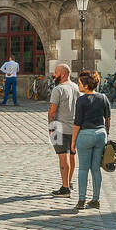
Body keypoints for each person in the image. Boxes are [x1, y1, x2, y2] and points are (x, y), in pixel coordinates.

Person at [70, 70, 111, 211]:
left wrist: (73, 141)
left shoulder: (81, 100)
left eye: (80, 83)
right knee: (95, 169)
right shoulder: (103, 97)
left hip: (85, 135)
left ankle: (81, 200)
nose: (78, 85)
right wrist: (107, 132)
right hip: (100, 134)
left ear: (86, 86)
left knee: (83, 169)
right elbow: (108, 117)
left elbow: (77, 123)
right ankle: (96, 199)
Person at [47, 63, 78, 196]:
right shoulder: (76, 87)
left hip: (59, 128)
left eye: (56, 72)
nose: (54, 75)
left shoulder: (58, 89)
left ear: (63, 74)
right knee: (71, 156)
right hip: (75, 128)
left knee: (62, 156)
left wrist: (51, 128)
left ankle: (65, 188)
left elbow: (52, 111)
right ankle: (69, 183)